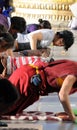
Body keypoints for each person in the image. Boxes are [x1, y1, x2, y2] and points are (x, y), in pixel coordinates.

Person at [0, 59, 77, 123]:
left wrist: (68, 112)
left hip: (27, 75)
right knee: (6, 107)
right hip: (27, 81)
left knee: (7, 106)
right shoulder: (74, 74)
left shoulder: (74, 65)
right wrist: (72, 117)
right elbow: (63, 95)